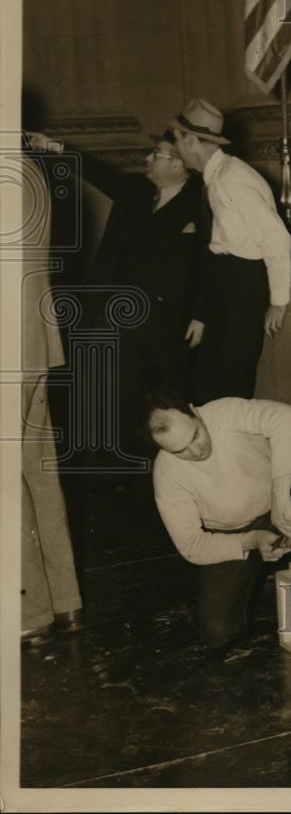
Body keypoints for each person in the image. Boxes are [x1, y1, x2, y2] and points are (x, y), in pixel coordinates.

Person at [30, 130, 213, 459]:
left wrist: (201, 313)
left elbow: (209, 262)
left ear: (178, 164)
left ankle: (157, 461)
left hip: (164, 322)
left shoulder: (200, 201)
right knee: (110, 391)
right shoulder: (138, 190)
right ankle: (113, 463)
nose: (147, 159)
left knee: (162, 393)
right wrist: (53, 146)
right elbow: (98, 172)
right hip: (112, 315)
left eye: (155, 154)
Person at [145, 390, 291, 651]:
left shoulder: (223, 412)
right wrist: (252, 540)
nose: (195, 451)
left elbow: (287, 417)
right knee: (218, 630)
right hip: (239, 531)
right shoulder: (167, 475)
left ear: (195, 412)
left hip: (286, 495)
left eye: (195, 435)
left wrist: (281, 496)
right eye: (179, 450)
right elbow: (192, 545)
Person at [168, 98, 291, 405]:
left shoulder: (232, 180)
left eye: (178, 140)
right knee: (211, 384)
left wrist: (278, 301)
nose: (176, 149)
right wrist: (204, 316)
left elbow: (276, 238)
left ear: (192, 140)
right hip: (227, 284)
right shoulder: (218, 177)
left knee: (226, 387)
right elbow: (217, 252)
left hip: (242, 287)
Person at [20, 153, 83, 645]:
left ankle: (30, 609)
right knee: (39, 473)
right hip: (34, 342)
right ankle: (65, 601)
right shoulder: (28, 166)